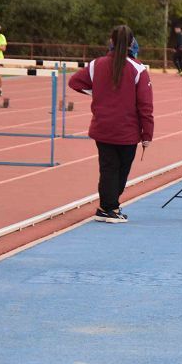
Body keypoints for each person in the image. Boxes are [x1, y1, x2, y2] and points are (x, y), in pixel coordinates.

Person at [68, 25, 154, 223]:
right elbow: (145, 105)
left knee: (108, 168)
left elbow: (75, 82)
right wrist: (147, 134)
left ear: (111, 41)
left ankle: (108, 206)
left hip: (103, 127)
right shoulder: (138, 69)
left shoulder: (96, 64)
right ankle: (109, 207)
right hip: (127, 130)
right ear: (133, 43)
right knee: (120, 170)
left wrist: (96, 92)